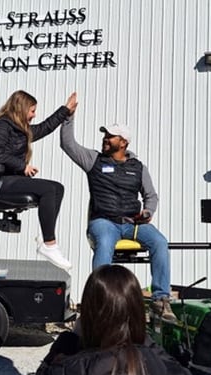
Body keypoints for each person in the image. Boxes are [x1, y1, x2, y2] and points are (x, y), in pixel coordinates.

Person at [18, 264, 197, 375]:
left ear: (86, 318)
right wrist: (141, 336)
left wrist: (65, 343)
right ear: (138, 313)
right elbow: (175, 371)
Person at [58, 93, 177, 321]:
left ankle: (161, 300)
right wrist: (68, 117)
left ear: (123, 142)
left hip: (133, 223)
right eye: (105, 135)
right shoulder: (93, 160)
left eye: (110, 136)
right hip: (104, 222)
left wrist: (148, 212)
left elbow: (151, 196)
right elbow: (68, 144)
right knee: (104, 244)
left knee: (160, 242)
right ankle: (99, 300)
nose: (105, 139)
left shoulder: (138, 167)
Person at [0, 90, 78, 271]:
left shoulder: (18, 129)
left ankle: (45, 237)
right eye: (32, 111)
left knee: (57, 188)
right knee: (48, 189)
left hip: (9, 179)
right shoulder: (2, 125)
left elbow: (44, 128)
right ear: (22, 108)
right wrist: (22, 166)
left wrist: (65, 110)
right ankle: (50, 244)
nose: (34, 115)